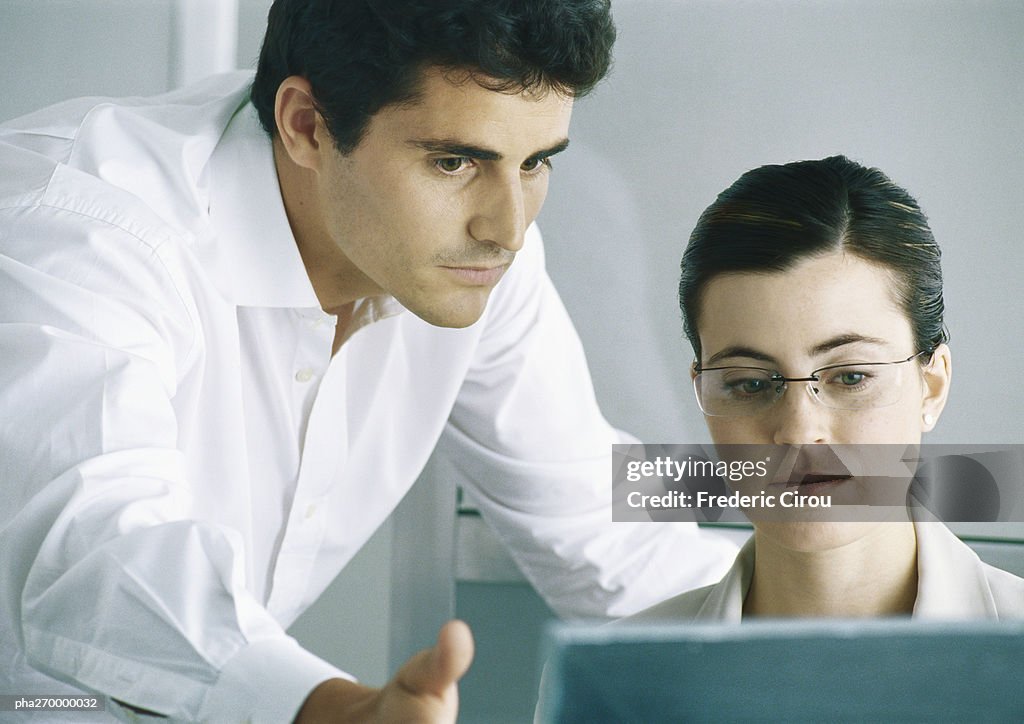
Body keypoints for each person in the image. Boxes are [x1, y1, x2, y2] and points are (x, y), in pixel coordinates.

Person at [0, 1, 737, 721]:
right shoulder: (80, 235)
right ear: (307, 126)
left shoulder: (469, 257)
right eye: (454, 161)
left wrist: (832, 595)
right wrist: (331, 712)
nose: (508, 227)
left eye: (537, 161)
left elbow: (592, 508)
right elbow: (97, 547)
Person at [631, 155, 1024, 622]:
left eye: (850, 376)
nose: (798, 431)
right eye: (750, 384)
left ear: (932, 385)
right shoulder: (609, 681)